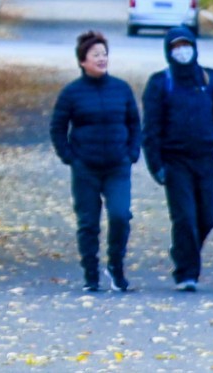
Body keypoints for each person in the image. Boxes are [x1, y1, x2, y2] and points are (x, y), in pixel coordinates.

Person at [142, 24, 213, 292]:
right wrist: (155, 165)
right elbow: (150, 129)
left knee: (206, 217)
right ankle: (186, 273)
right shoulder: (160, 83)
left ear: (194, 48)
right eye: (176, 47)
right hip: (175, 161)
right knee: (185, 217)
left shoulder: (211, 79)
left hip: (205, 159)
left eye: (186, 45)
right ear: (168, 51)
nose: (182, 51)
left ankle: (185, 252)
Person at [50, 29, 142, 292]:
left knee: (120, 215)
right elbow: (57, 127)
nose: (101, 59)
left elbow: (135, 124)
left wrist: (131, 153)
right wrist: (70, 157)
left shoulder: (121, 89)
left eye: (104, 54)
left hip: (117, 166)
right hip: (85, 168)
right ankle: (90, 273)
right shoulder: (72, 93)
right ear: (83, 61)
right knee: (88, 223)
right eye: (95, 55)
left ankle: (116, 265)